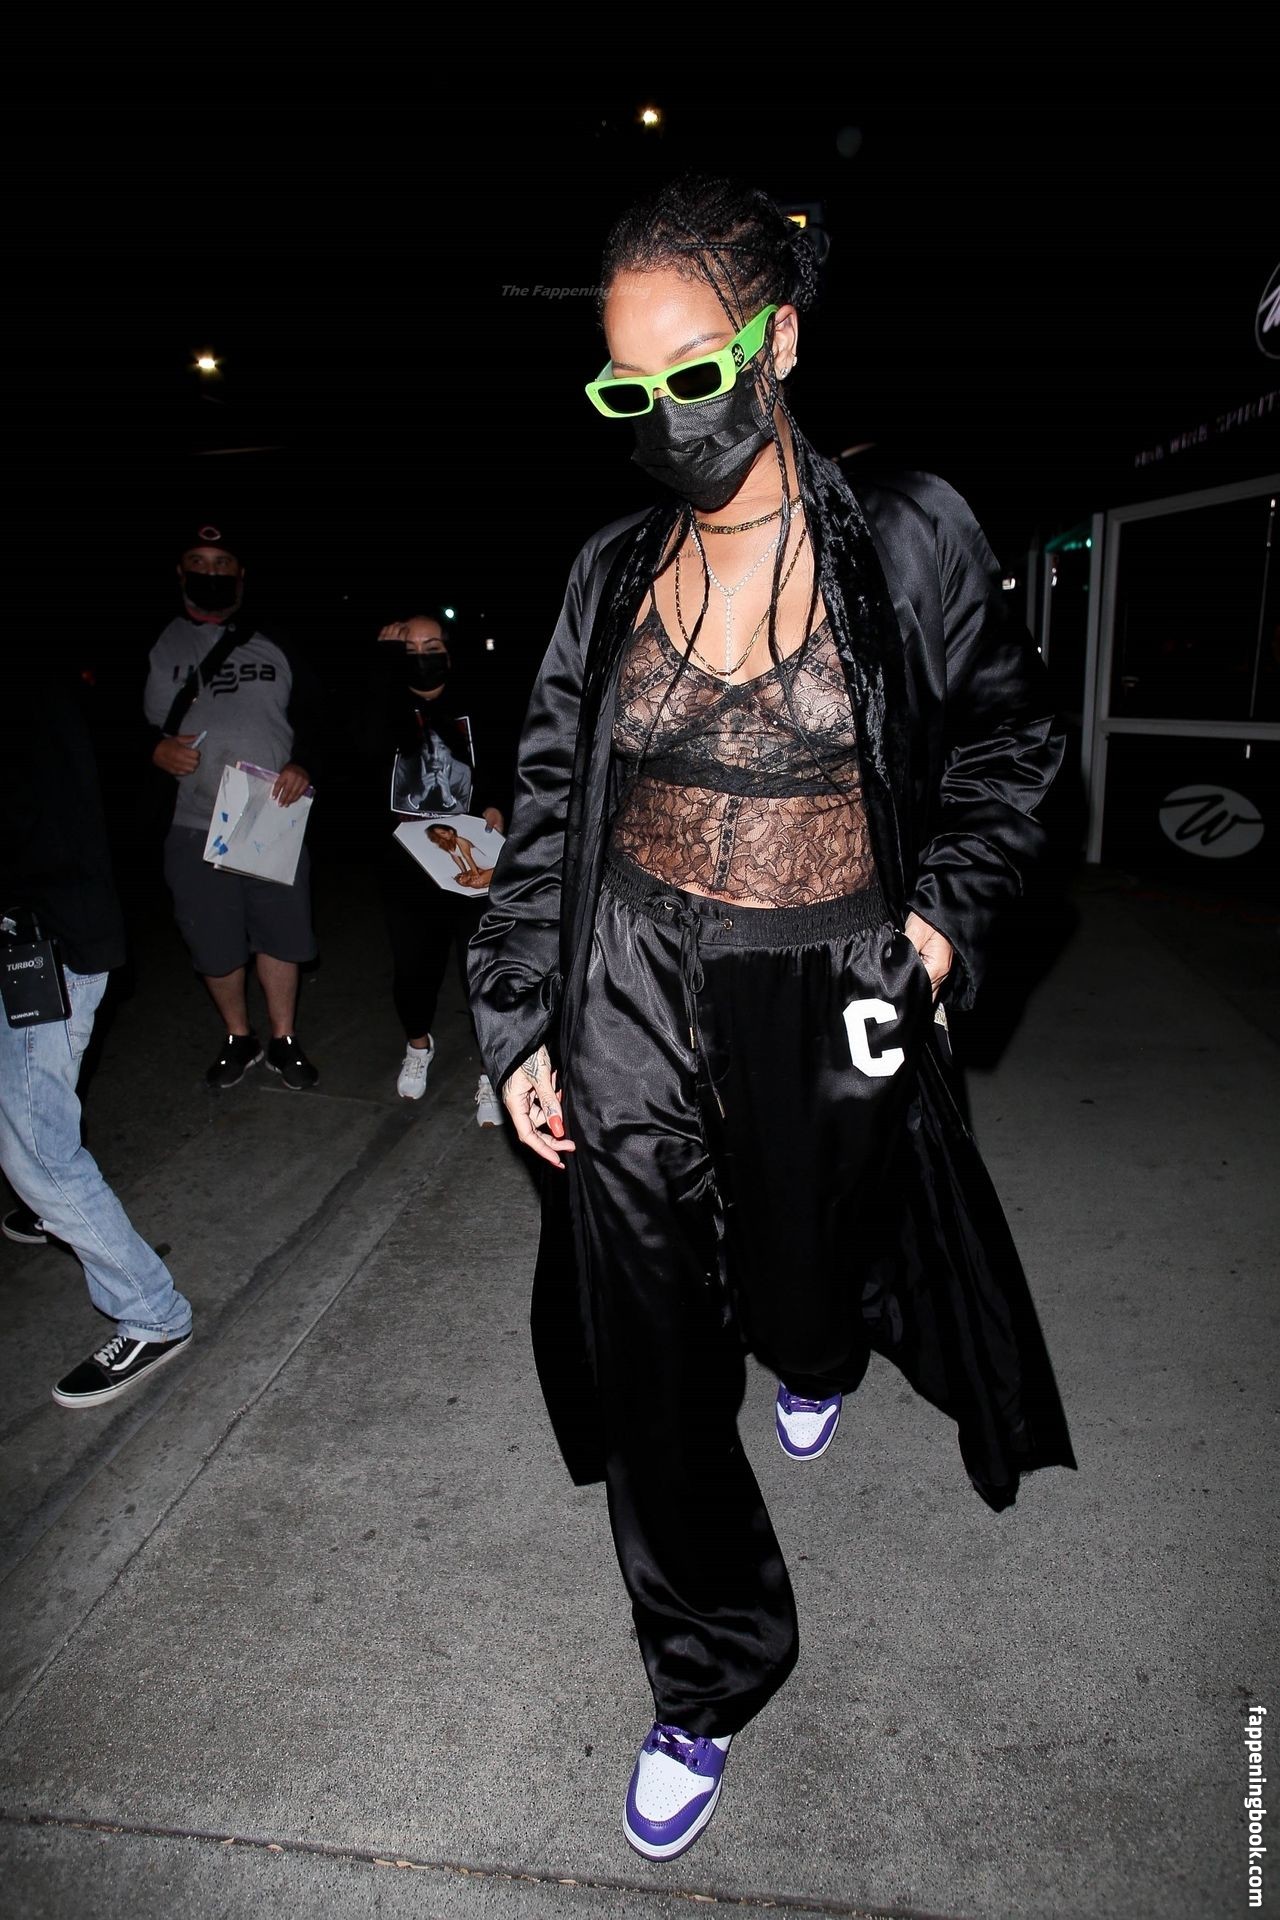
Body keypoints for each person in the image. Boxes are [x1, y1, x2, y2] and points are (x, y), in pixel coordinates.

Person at [468, 174, 1076, 1863]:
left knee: (807, 1278)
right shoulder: (607, 573)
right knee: (653, 1339)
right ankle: (709, 1666)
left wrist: (940, 931)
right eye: (628, 389)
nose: (667, 415)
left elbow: (1016, 753)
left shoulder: (912, 532)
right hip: (629, 977)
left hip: (826, 975)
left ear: (780, 338)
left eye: (696, 372)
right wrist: (521, 1022)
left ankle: (815, 1343)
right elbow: (544, 815)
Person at [1, 670, 195, 1408]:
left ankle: (152, 1311)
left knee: (39, 1148)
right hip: (51, 930)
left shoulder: (29, 692)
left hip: (44, 944)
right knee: (31, 1125)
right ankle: (46, 1202)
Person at [143, 525, 324, 1091]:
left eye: (222, 562)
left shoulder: (276, 637)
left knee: (280, 935)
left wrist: (304, 762)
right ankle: (238, 1037)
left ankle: (283, 1039)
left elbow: (320, 714)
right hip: (192, 821)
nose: (211, 572)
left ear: (241, 574)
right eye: (198, 561)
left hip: (271, 814)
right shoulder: (156, 640)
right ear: (180, 572)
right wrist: (151, 749)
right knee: (213, 941)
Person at [374, 615, 505, 1123]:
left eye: (431, 646)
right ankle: (418, 1044)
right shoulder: (385, 706)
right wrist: (381, 672)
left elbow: (507, 764)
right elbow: (359, 744)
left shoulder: (479, 702)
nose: (421, 657)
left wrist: (497, 805)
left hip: (470, 862)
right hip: (406, 866)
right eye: (408, 650)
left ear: (449, 651)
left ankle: (493, 1069)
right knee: (412, 969)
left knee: (483, 970)